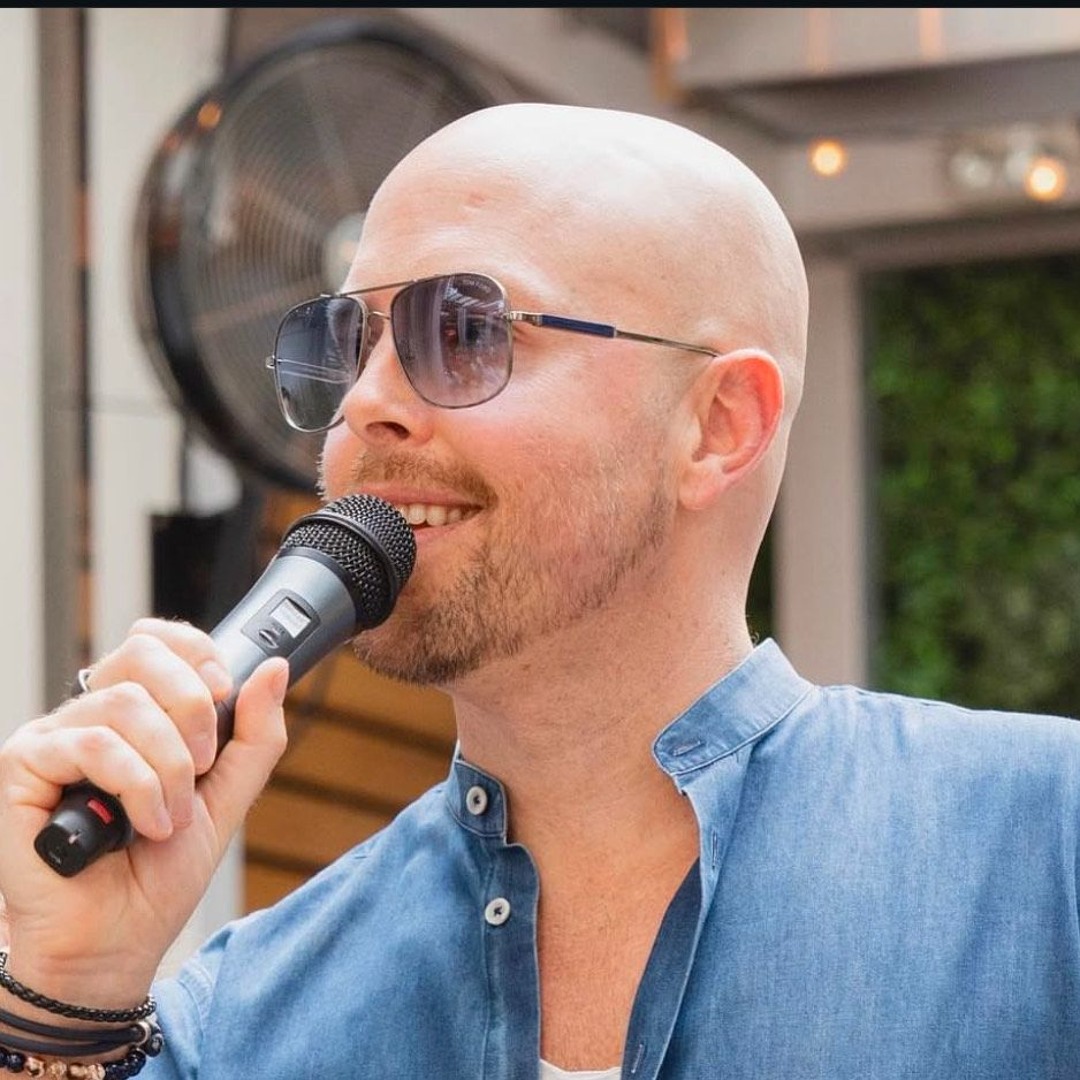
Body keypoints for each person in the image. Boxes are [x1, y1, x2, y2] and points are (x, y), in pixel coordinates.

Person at [0, 101, 1078, 1080]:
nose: (366, 404)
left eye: (464, 331)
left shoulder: (1046, 852)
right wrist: (65, 993)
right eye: (349, 345)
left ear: (718, 427)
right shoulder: (239, 1020)